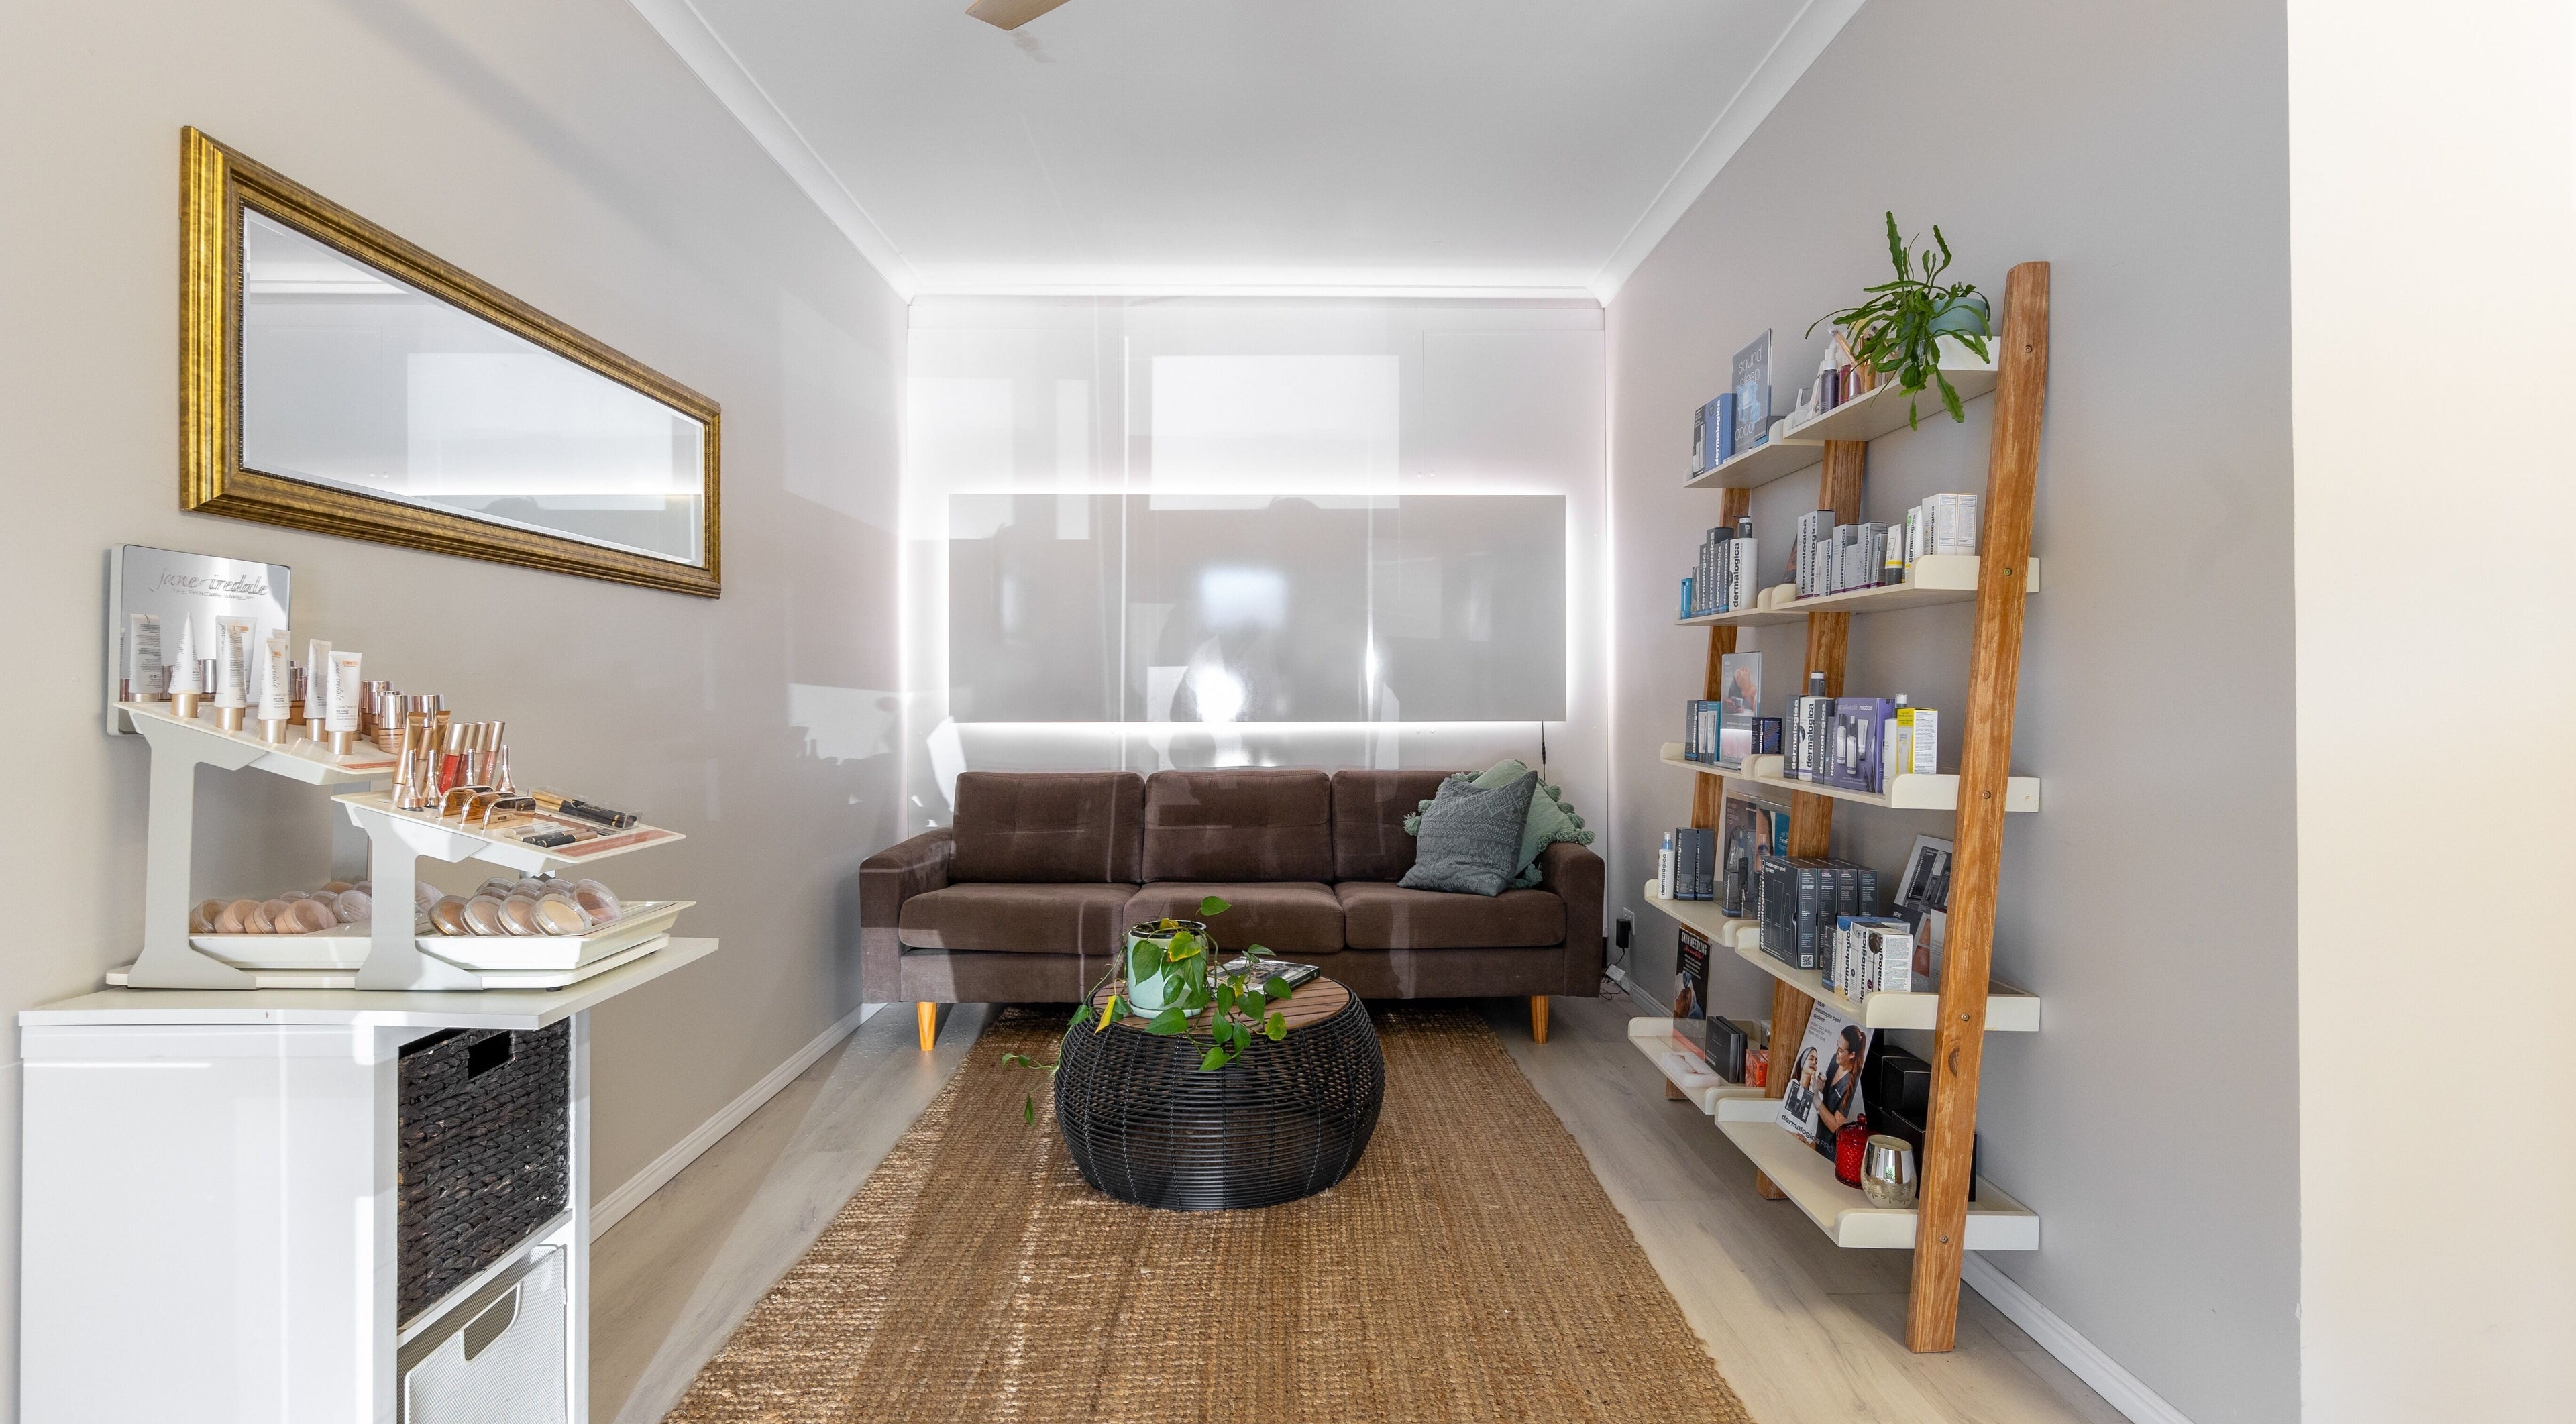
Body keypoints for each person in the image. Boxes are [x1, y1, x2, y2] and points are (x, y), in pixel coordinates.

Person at [1812, 1024, 1868, 1150]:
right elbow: (1831, 1097)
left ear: (1852, 1055)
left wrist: (1816, 1099)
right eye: (1837, 1045)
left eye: (1841, 1050)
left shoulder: (1850, 1084)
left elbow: (1837, 1127)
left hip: (1830, 1149)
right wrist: (1822, 1087)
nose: (1837, 1051)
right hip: (1817, 1136)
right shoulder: (1835, 1061)